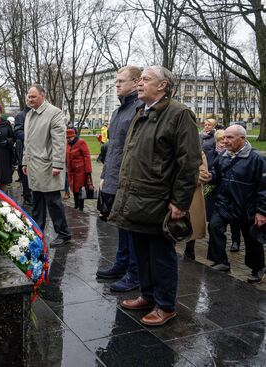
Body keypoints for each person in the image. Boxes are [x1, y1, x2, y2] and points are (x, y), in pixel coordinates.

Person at [109, 65, 201, 326]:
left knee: (161, 255)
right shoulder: (142, 111)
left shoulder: (179, 114)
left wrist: (180, 203)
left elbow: (189, 162)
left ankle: (165, 305)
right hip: (137, 198)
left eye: (146, 79)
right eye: (139, 80)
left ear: (162, 86)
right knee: (142, 252)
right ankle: (147, 295)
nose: (140, 83)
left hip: (160, 201)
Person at [95, 65, 143, 293]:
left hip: (131, 180)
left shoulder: (139, 109)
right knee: (120, 226)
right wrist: (105, 176)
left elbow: (134, 150)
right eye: (115, 82)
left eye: (121, 82)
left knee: (131, 228)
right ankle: (121, 264)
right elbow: (112, 148)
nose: (116, 86)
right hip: (115, 177)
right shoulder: (118, 112)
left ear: (136, 82)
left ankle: (134, 273)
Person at [206, 125, 266, 282]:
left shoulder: (257, 159)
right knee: (214, 227)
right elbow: (216, 173)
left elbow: (264, 188)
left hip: (247, 207)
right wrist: (210, 176)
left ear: (243, 139)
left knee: (252, 238)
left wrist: (261, 211)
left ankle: (258, 269)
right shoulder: (224, 156)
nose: (225, 141)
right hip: (224, 204)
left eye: (230, 137)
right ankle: (221, 262)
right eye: (224, 137)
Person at [22, 84, 71, 247]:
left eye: (33, 96)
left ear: (43, 96)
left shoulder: (54, 113)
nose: (30, 99)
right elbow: (27, 142)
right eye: (28, 96)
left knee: (53, 202)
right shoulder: (29, 114)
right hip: (34, 166)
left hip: (48, 166)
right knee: (37, 202)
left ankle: (63, 234)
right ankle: (37, 231)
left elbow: (59, 141)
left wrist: (57, 164)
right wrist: (24, 161)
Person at [183, 152, 209, 260]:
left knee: (192, 223)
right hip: (170, 196)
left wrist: (182, 182)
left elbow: (203, 175)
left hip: (191, 195)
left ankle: (190, 249)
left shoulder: (198, 153)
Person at [65, 129, 92, 211]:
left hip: (80, 171)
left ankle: (80, 207)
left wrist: (88, 171)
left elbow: (87, 156)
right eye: (67, 138)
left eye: (70, 137)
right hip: (71, 171)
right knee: (73, 189)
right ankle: (76, 204)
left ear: (74, 136)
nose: (68, 139)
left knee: (80, 189)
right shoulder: (68, 144)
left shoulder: (81, 142)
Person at [13, 105, 32, 206]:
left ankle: (31, 193)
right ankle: (27, 195)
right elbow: (17, 131)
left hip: (35, 148)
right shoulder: (21, 115)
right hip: (23, 147)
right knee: (25, 172)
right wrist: (32, 138)